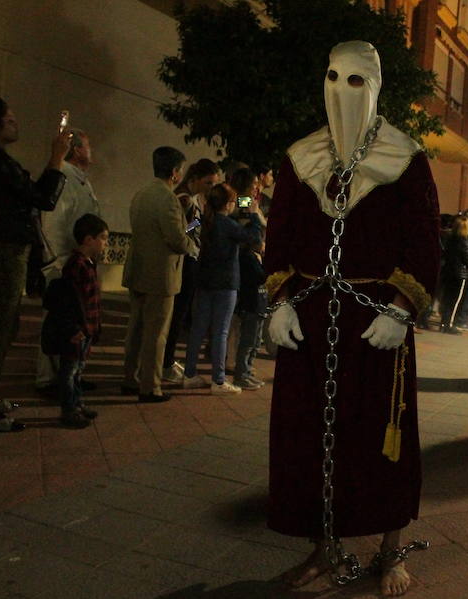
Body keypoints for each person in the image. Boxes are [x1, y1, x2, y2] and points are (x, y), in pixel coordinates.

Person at [264, 41, 440, 596]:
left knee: (381, 436)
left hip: (375, 326)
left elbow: (424, 244)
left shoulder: (406, 159)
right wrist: (282, 300)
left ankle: (391, 552)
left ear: (377, 85)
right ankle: (323, 547)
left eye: (356, 80)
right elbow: (280, 239)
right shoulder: (300, 158)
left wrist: (401, 307)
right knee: (310, 438)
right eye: (333, 77)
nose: (342, 91)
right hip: (311, 324)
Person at [0, 96, 70, 431]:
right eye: (9, 120)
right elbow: (43, 197)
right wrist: (56, 158)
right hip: (6, 248)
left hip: (12, 248)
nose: (16, 124)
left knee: (6, 323)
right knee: (0, 325)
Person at [121, 146, 198, 403]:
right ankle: (150, 386)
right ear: (175, 172)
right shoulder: (167, 198)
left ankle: (129, 378)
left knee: (136, 328)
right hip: (160, 275)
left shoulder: (141, 193)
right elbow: (177, 239)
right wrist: (193, 247)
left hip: (138, 269)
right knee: (156, 334)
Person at [181, 184, 263, 394]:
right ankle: (218, 380)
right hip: (225, 283)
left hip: (204, 281)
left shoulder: (202, 221)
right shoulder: (227, 224)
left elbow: (187, 229)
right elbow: (253, 238)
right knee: (220, 332)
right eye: (232, 201)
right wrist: (254, 215)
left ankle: (189, 374)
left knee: (198, 330)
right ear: (226, 204)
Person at [36, 129, 101, 394]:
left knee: (77, 322)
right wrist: (60, 260)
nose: (91, 150)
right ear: (76, 150)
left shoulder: (81, 179)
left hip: (78, 260)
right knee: (59, 322)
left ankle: (70, 375)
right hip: (65, 263)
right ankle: (49, 379)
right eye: (87, 146)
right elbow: (54, 220)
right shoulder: (64, 176)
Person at [41, 214, 108, 428]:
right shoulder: (76, 266)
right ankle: (69, 409)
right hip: (77, 329)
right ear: (89, 240)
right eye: (103, 238)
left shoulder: (88, 264)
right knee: (69, 371)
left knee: (77, 369)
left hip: (86, 328)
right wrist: (74, 328)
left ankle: (77, 404)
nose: (106, 243)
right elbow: (69, 302)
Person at [161, 158, 220, 383]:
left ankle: (167, 360)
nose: (211, 189)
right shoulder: (184, 199)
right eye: (208, 183)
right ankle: (166, 362)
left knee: (181, 313)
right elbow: (181, 230)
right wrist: (199, 223)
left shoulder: (193, 199)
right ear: (194, 179)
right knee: (177, 314)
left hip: (190, 259)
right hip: (185, 261)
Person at [233, 236, 268, 390]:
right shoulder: (247, 258)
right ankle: (241, 374)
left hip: (259, 304)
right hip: (251, 305)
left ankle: (247, 371)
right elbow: (260, 277)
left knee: (255, 341)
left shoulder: (253, 257)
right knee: (248, 341)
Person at [438, 214, 468, 334]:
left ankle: (444, 323)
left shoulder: (450, 239)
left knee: (447, 299)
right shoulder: (463, 241)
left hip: (448, 272)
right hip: (460, 274)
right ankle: (450, 324)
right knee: (456, 301)